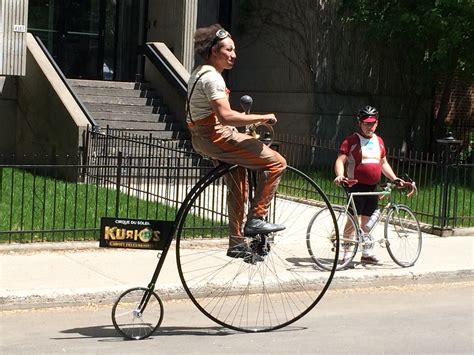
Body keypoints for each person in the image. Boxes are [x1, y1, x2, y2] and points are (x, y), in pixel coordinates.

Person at [186, 24, 287, 259]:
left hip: (203, 137)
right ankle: (256, 219)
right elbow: (225, 116)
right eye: (228, 50)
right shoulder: (212, 78)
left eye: (234, 50)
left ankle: (236, 242)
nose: (233, 55)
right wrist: (262, 117)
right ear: (214, 51)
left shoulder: (199, 72)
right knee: (277, 163)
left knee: (238, 185)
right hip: (215, 136)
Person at [334, 105, 404, 265]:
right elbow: (340, 160)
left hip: (373, 187)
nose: (369, 126)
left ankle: (366, 252)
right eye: (366, 123)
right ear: (360, 123)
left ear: (377, 123)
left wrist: (394, 178)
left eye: (372, 123)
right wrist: (340, 175)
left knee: (367, 222)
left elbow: (383, 163)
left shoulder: (379, 141)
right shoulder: (351, 141)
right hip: (356, 186)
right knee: (352, 221)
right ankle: (346, 253)